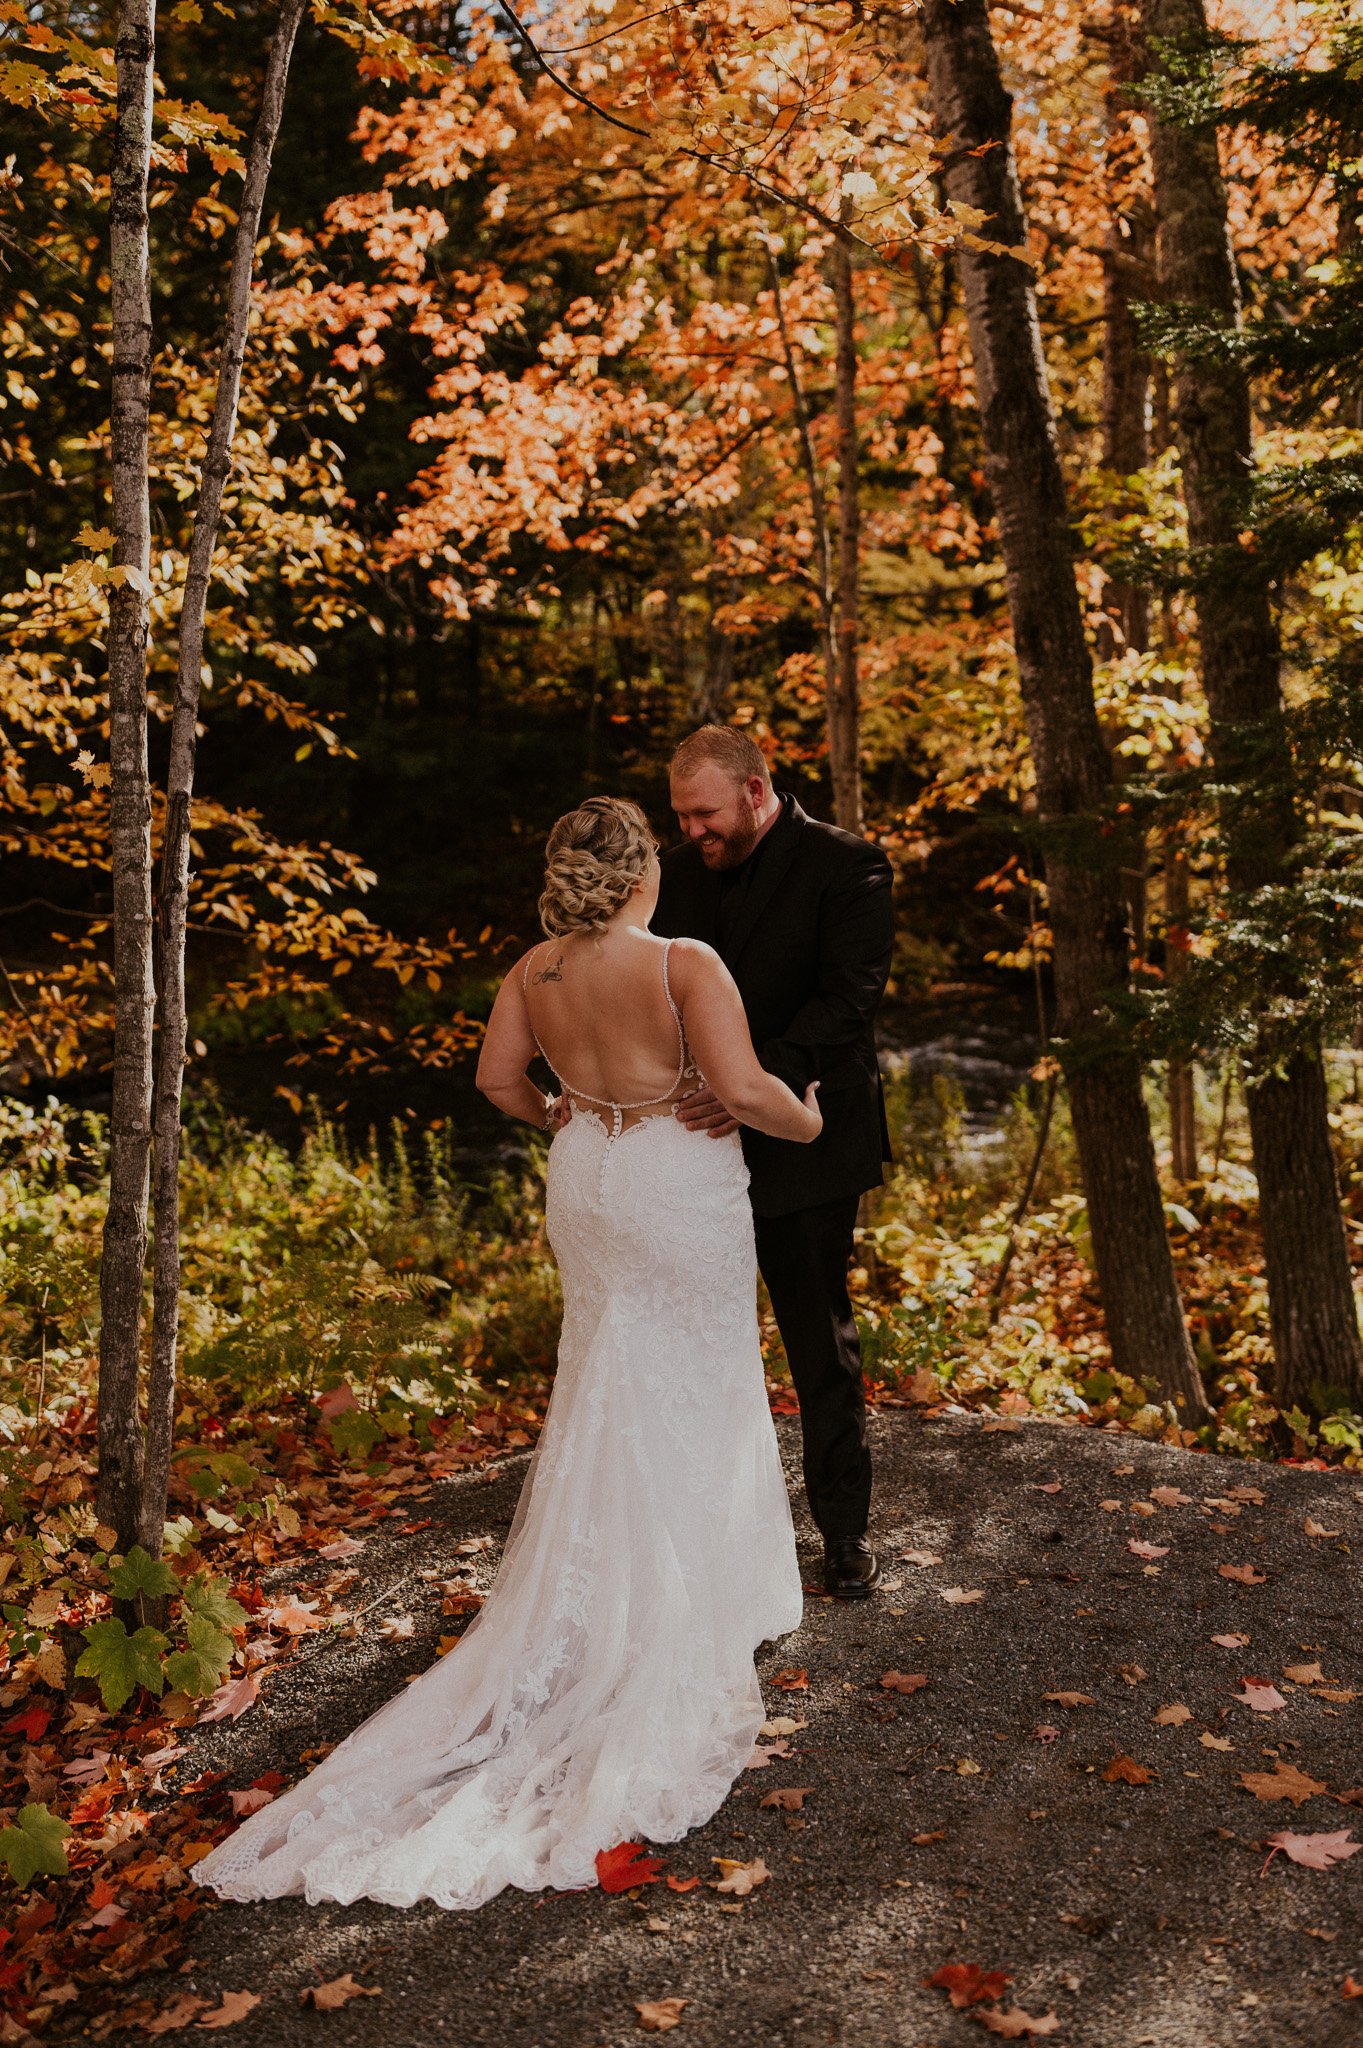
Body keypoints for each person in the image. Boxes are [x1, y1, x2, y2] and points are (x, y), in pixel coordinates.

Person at [194, 796, 820, 1912]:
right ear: (643, 875)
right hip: (678, 1185)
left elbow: (494, 1083)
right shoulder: (687, 962)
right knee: (696, 1373)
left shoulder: (533, 968)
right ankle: (700, 1600)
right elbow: (742, 1092)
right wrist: (810, 1116)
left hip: (586, 1173)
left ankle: (609, 1594)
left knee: (605, 1378)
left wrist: (572, 1120)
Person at [653, 726, 894, 1601]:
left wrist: (751, 1080)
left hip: (808, 1136)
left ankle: (843, 1536)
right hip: (689, 1144)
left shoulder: (850, 864)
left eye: (705, 812)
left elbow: (849, 1001)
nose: (691, 830)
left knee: (815, 1339)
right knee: (690, 1341)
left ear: (757, 791)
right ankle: (700, 1536)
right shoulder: (670, 876)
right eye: (680, 814)